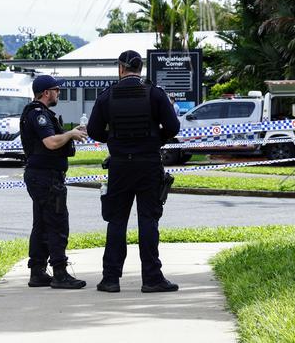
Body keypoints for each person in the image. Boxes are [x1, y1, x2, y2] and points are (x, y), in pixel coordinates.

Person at [87, 50, 181, 293]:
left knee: (117, 221)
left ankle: (110, 279)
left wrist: (115, 138)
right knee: (148, 220)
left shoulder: (107, 96)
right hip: (148, 164)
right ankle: (151, 278)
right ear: (141, 68)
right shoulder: (154, 93)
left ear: (120, 68)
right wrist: (153, 139)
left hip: (119, 165)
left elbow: (94, 130)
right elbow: (173, 126)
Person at [20, 75, 88, 289]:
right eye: (56, 90)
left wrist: (69, 134)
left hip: (41, 175)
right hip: (46, 177)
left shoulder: (37, 113)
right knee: (57, 222)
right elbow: (50, 143)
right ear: (46, 92)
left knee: (41, 224)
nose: (59, 93)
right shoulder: (38, 114)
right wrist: (69, 134)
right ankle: (59, 273)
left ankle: (37, 271)